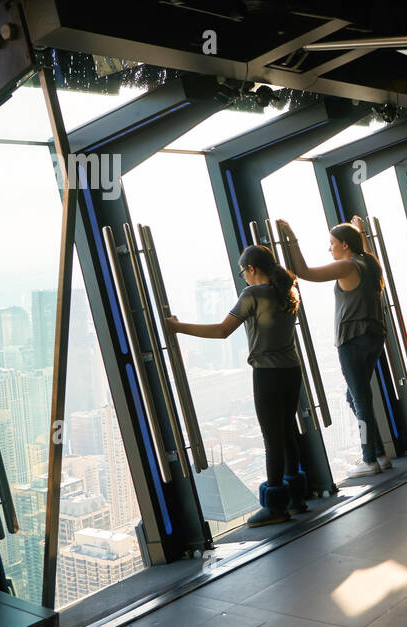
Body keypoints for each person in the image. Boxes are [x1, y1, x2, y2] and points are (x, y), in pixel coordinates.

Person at [165, 244, 306, 527]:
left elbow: (221, 331)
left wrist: (178, 328)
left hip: (267, 374)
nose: (243, 277)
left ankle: (275, 506)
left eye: (243, 272)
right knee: (288, 431)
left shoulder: (252, 294)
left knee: (272, 438)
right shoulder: (288, 291)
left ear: (251, 269)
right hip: (292, 371)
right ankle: (296, 499)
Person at [278, 216, 393, 479]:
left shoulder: (347, 267)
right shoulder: (369, 263)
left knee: (360, 399)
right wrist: (361, 232)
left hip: (352, 339)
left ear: (344, 244)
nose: (329, 249)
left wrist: (291, 237)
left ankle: (369, 459)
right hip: (374, 335)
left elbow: (304, 272)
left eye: (331, 243)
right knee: (355, 397)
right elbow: (366, 248)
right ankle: (379, 453)